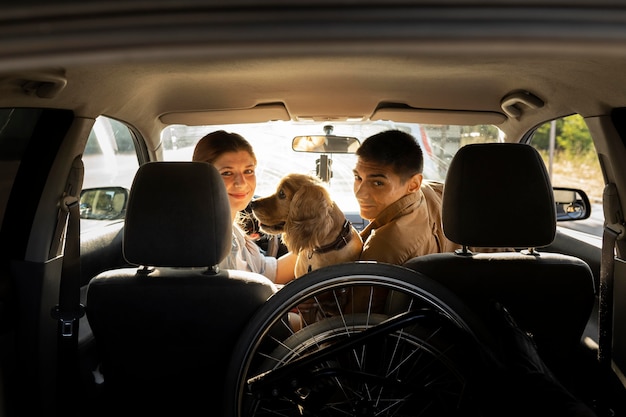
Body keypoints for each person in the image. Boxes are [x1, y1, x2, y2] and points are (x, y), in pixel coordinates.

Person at [192, 130, 297, 285]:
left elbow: (265, 274)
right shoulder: (208, 239)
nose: (241, 183)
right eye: (227, 173)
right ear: (202, 179)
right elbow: (237, 298)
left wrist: (313, 244)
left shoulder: (231, 230)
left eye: (248, 171)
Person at [353, 129, 457, 265]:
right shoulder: (437, 192)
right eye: (358, 178)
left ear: (414, 185)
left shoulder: (384, 250)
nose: (360, 193)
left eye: (378, 183)